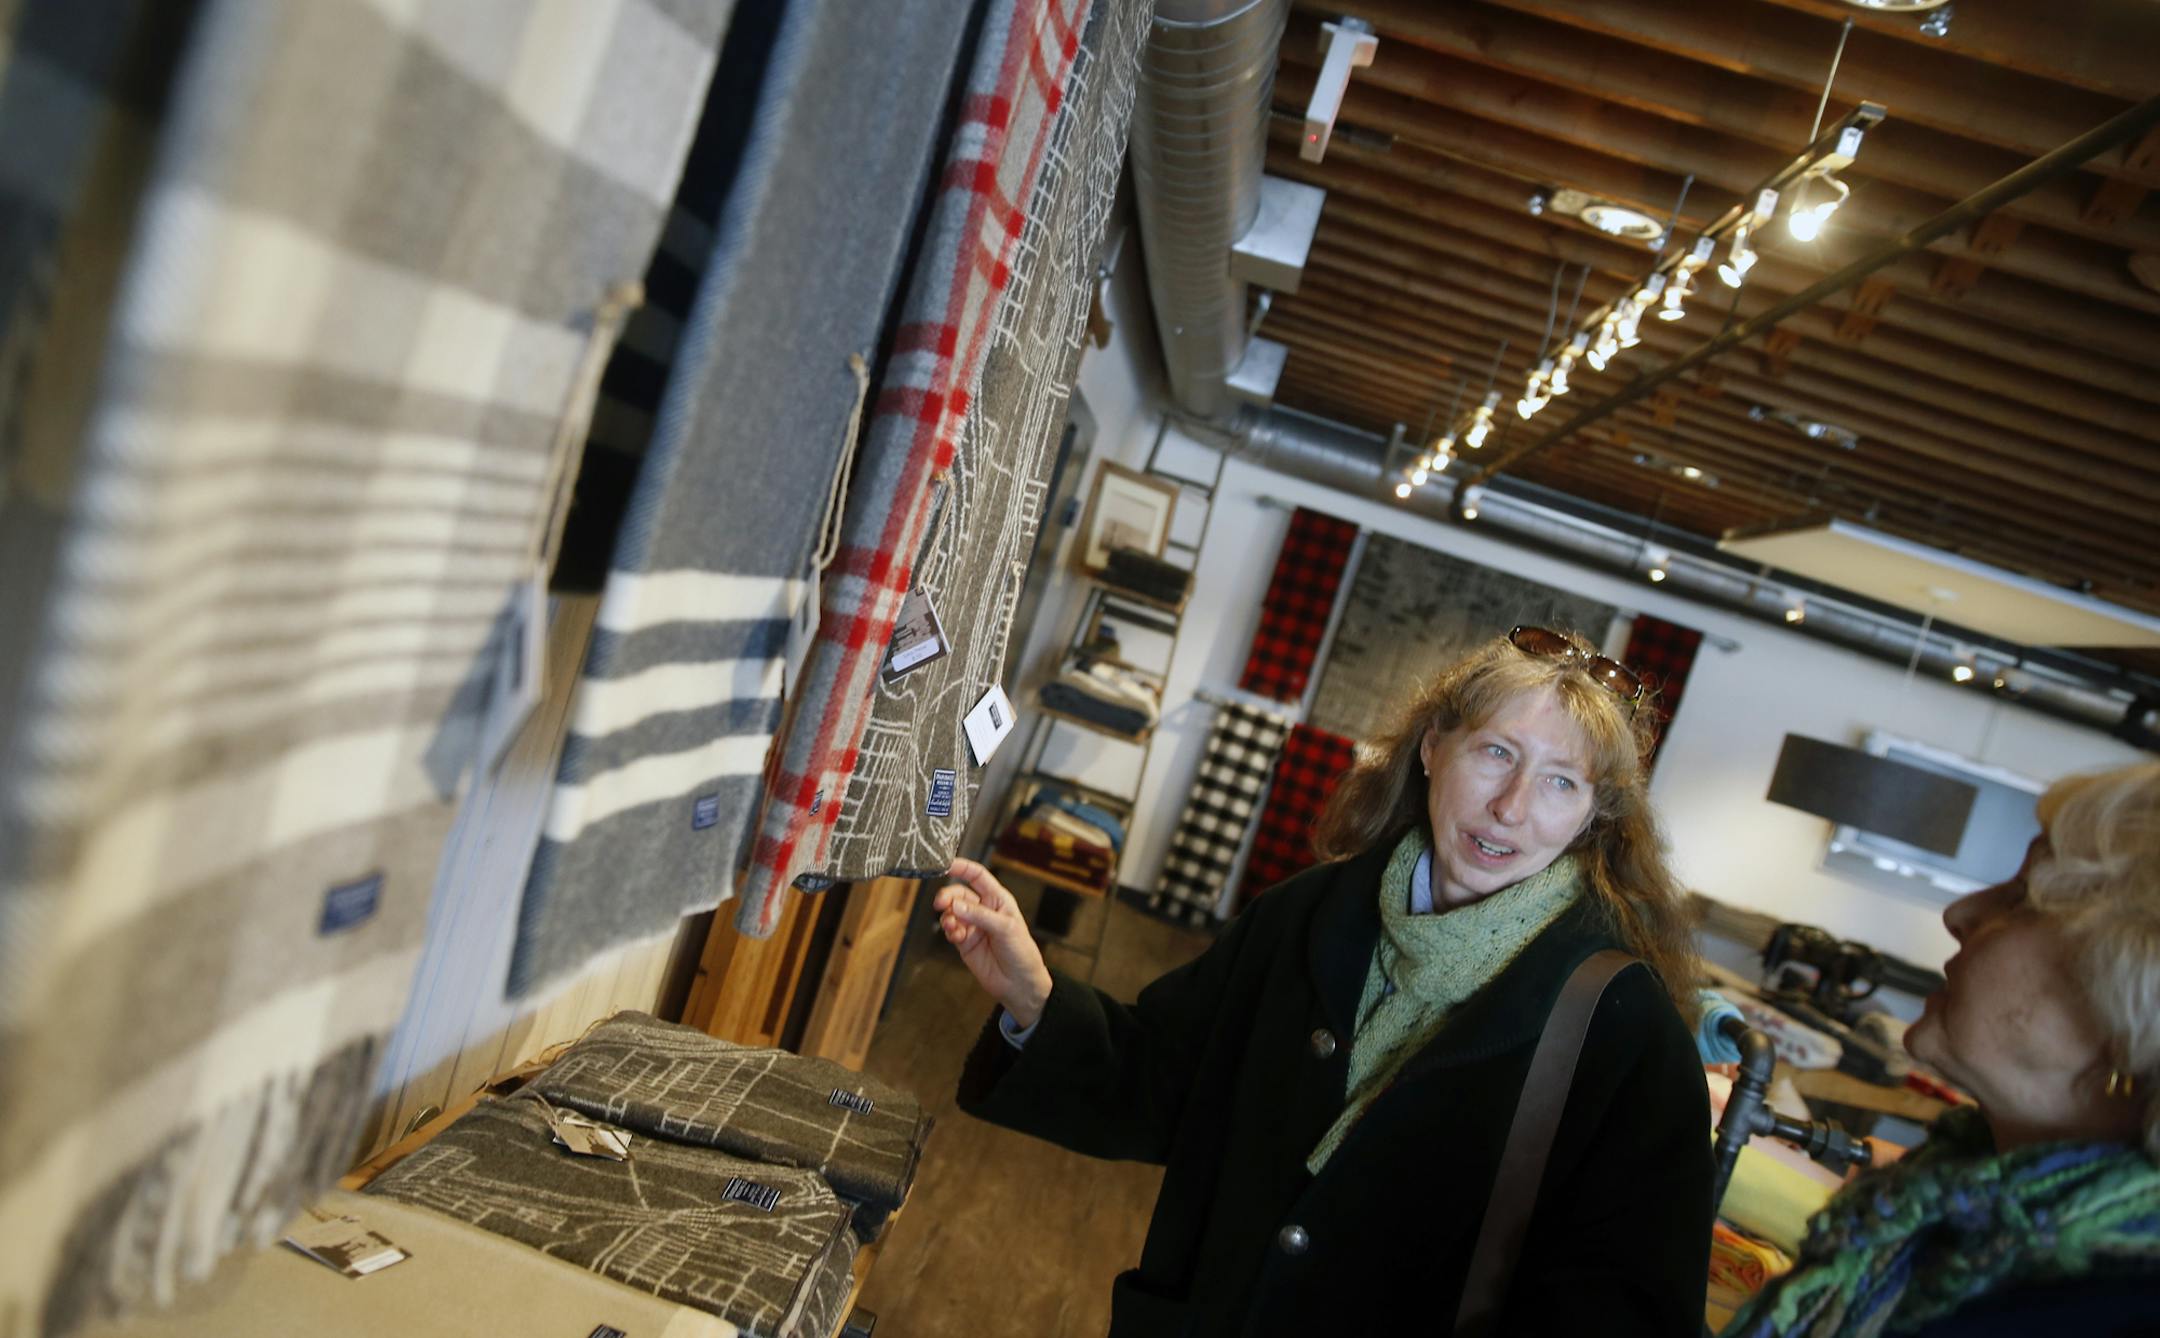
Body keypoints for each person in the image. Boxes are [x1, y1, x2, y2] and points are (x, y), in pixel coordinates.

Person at [934, 627, 1713, 1336]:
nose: (1511, 808)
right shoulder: (1313, 911)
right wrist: (1034, 996)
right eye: (1497, 753)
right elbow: (1165, 1082)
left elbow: (1625, 1314)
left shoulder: (1624, 1031)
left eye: (1561, 783)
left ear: (1593, 818)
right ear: (1433, 748)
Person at [1722, 761, 2160, 1338]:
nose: (1960, 914)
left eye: (2024, 897)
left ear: (2131, 1007)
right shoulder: (1953, 1211)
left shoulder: (2105, 1310)